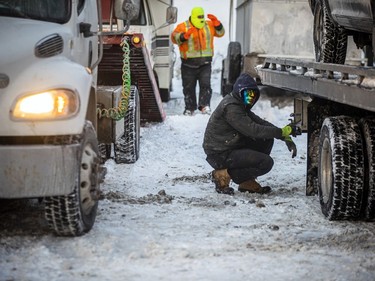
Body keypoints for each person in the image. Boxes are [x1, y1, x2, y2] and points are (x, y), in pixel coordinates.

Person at [202, 72, 297, 195]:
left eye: (253, 94)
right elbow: (253, 130)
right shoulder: (232, 108)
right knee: (266, 163)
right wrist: (280, 132)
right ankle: (222, 175)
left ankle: (246, 182)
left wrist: (284, 136)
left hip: (230, 147)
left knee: (266, 139)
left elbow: (261, 123)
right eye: (247, 94)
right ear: (239, 92)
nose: (250, 98)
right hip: (219, 153)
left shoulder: (240, 104)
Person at [171, 7, 225, 116]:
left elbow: (220, 33)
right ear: (193, 16)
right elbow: (173, 37)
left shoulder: (208, 25)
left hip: (205, 63)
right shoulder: (183, 26)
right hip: (188, 64)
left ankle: (204, 106)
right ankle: (189, 108)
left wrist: (217, 24)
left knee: (205, 85)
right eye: (199, 17)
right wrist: (183, 36)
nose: (201, 20)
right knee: (188, 87)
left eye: (202, 17)